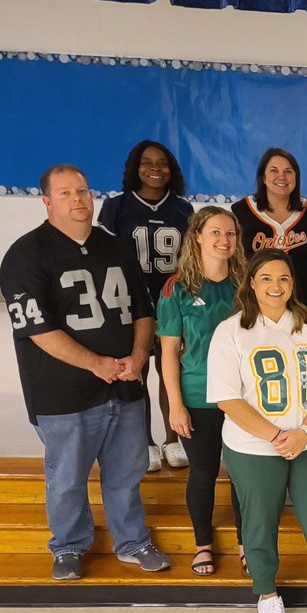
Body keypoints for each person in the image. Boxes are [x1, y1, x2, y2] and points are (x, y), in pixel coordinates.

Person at [0, 164, 170, 580]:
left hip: (125, 386)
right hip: (64, 394)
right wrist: (97, 365)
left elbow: (143, 311)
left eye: (83, 191)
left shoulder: (115, 247)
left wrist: (138, 354)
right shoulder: (25, 255)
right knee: (67, 477)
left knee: (126, 473)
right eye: (66, 193)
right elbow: (38, 330)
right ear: (47, 202)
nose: (78, 200)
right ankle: (69, 547)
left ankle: (132, 541)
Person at [207, 249, 307, 613]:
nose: (276, 286)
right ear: (251, 282)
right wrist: (275, 436)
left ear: (292, 284)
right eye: (266, 278)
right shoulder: (231, 331)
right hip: (253, 447)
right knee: (259, 523)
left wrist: (302, 432)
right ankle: (268, 596)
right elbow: (227, 398)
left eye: (283, 279)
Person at [157, 206, 248, 577]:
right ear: (197, 236)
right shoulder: (176, 288)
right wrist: (175, 406)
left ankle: (248, 543)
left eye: (230, 234)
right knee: (204, 472)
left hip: (243, 397)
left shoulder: (247, 281)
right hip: (198, 396)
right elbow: (167, 353)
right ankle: (202, 544)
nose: (224, 240)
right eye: (215, 233)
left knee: (244, 474)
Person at [98, 140, 195, 472]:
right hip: (130, 305)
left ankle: (173, 438)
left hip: (172, 303)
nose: (156, 168)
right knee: (135, 371)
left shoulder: (182, 209)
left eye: (163, 163)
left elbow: (191, 259)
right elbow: (105, 260)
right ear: (134, 167)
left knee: (171, 372)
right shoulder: (116, 207)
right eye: (147, 162)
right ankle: (145, 442)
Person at [231, 147, 307, 308]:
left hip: (302, 306)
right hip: (253, 306)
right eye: (274, 170)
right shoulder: (240, 212)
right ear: (263, 177)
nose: (282, 176)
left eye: (288, 171)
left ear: (296, 177)